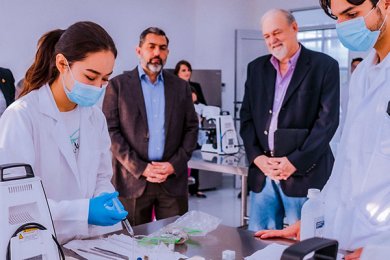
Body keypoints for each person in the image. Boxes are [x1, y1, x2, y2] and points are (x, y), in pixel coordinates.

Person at [255, 0, 390, 258]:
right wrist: (316, 221)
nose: (343, 26)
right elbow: (346, 167)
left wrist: (382, 249)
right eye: (337, 17)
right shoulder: (363, 74)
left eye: (351, 14)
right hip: (347, 240)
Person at [0, 21, 128, 244]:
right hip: (37, 244)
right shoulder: (22, 116)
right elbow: (17, 204)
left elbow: (101, 176)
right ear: (62, 63)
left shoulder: (94, 117)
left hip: (88, 241)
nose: (98, 87)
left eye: (105, 79)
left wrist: (104, 199)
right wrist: (83, 211)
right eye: (90, 76)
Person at [240, 9, 340, 232]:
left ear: (294, 28)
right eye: (266, 36)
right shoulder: (256, 68)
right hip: (263, 176)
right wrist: (257, 158)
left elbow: (327, 123)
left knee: (304, 244)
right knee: (258, 242)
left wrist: (295, 161)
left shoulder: (324, 66)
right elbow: (246, 118)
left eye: (277, 32)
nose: (272, 40)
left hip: (304, 174)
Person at [103, 27, 198, 226]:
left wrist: (174, 164)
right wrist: (141, 167)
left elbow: (191, 128)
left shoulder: (181, 87)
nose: (157, 53)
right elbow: (110, 131)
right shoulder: (118, 86)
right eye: (151, 47)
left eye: (162, 48)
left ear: (167, 53)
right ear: (139, 51)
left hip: (171, 179)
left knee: (175, 243)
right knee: (132, 244)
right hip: (132, 180)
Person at [174, 60, 207, 198]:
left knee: (196, 157)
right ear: (177, 73)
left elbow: (204, 105)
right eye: (183, 70)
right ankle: (182, 188)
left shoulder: (195, 86)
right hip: (179, 130)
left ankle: (195, 188)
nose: (187, 72)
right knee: (182, 158)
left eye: (188, 70)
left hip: (195, 129)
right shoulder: (173, 87)